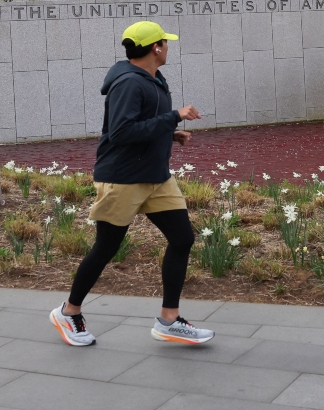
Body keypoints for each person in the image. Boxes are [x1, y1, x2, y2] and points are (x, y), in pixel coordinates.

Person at [50, 20, 213, 347]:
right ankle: (69, 311)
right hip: (123, 178)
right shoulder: (128, 84)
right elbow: (122, 133)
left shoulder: (153, 77)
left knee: (182, 239)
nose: (168, 47)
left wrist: (169, 134)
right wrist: (174, 117)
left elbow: (143, 123)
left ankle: (169, 320)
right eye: (165, 42)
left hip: (155, 176)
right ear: (156, 48)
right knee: (107, 248)